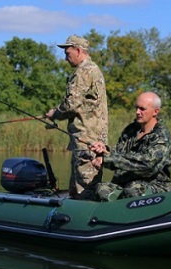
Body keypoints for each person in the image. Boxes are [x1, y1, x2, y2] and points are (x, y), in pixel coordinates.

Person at [46, 35, 108, 200]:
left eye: (68, 53)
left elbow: (71, 104)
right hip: (91, 141)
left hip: (86, 142)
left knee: (84, 192)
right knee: (77, 191)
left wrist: (55, 113)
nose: (66, 58)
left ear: (78, 50)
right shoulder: (94, 70)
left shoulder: (83, 72)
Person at [90, 91, 171, 201]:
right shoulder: (131, 130)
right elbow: (118, 154)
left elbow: (148, 166)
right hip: (126, 183)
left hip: (155, 186)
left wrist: (108, 159)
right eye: (136, 108)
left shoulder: (161, 136)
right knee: (101, 188)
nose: (137, 112)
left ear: (155, 112)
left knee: (133, 189)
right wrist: (104, 151)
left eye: (142, 109)